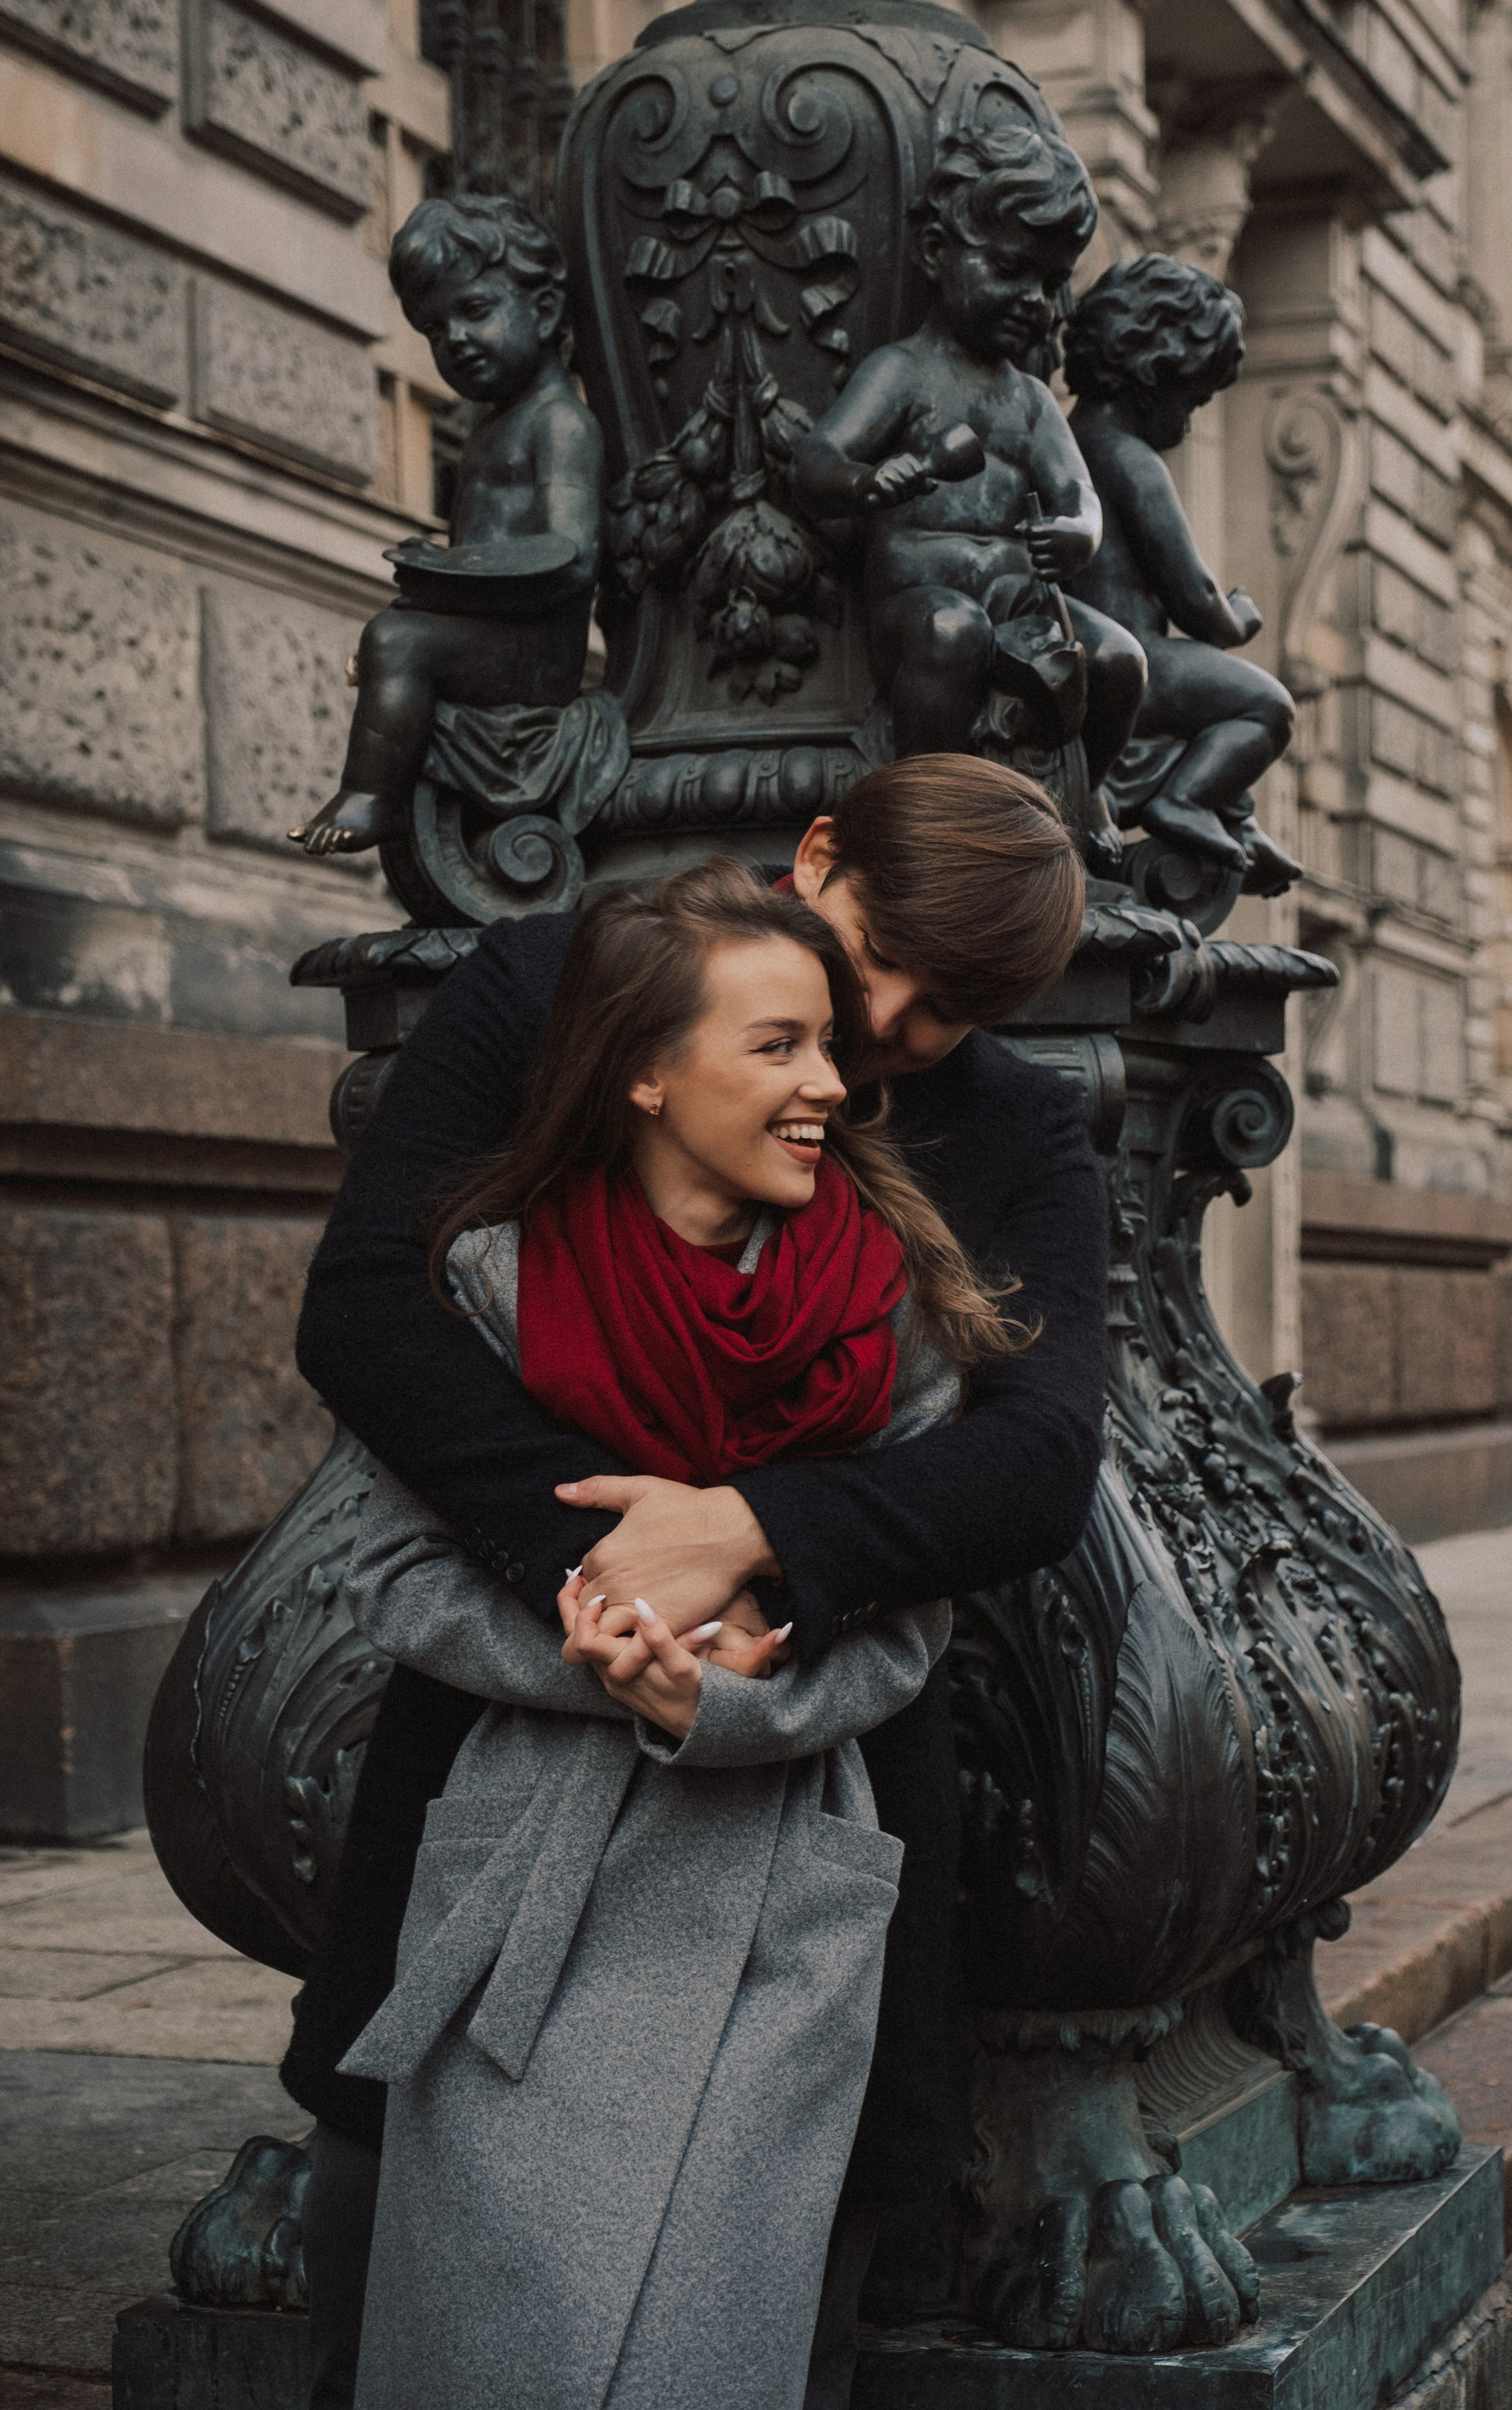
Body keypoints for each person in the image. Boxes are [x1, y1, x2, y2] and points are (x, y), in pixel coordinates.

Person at [285, 754, 1107, 2410]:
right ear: (816, 851)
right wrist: (610, 1558)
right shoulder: (552, 987)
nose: (878, 1026)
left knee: (767, 2290)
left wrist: (752, 1534)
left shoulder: (1013, 1123)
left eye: (941, 1012)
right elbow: (372, 1311)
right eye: (868, 959)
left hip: (806, 1773)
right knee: (416, 2273)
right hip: (508, 1745)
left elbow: (1033, 1461)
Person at [791, 126, 1147, 798]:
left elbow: (1080, 495)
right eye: (1011, 271)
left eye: (1053, 282)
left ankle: (1087, 794)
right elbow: (816, 460)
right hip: (918, 601)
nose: (1036, 301)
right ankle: (930, 805)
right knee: (951, 632)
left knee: (1120, 659)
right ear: (936, 252)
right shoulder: (903, 372)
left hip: (1020, 600)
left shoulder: (1033, 401)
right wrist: (866, 481)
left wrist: (1077, 534)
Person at [294, 193, 605, 857]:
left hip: (535, 657)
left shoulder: (560, 423)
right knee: (402, 634)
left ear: (545, 311)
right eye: (435, 329)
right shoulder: (489, 428)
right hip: (492, 641)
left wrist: (441, 571)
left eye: (474, 311)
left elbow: (570, 555)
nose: (454, 339)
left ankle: (369, 797)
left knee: (399, 640)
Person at [1063, 254, 1299, 893]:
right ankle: (1186, 801)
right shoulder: (1133, 460)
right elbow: (1192, 595)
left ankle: (1237, 823)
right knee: (1265, 705)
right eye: (1192, 400)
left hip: (1097, 654)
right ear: (1154, 376)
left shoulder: (1067, 439)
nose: (1191, 422)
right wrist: (1236, 619)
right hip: (1137, 662)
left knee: (1214, 696)